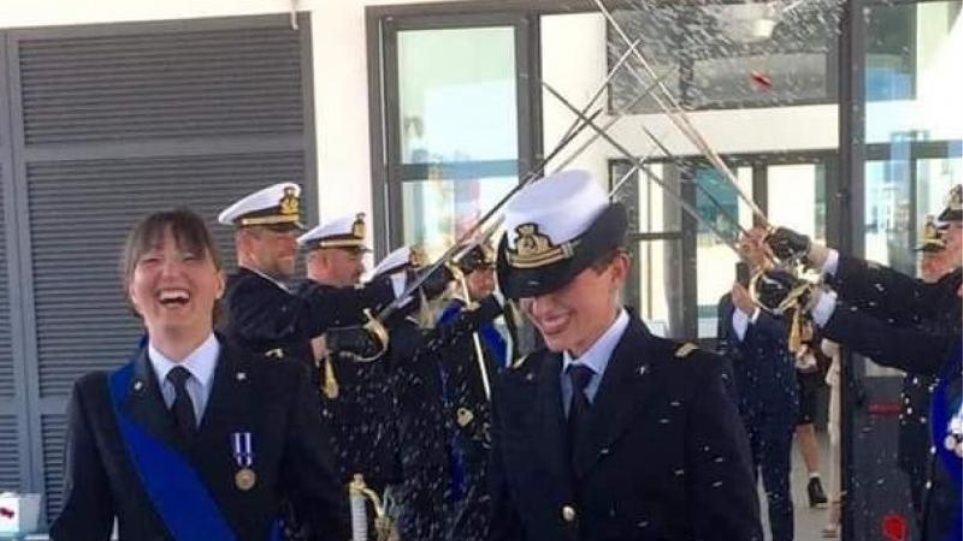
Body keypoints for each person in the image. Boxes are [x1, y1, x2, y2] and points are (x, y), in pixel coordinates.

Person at [488, 170, 762, 540]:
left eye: (559, 284)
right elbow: (503, 527)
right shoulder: (517, 389)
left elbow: (731, 531)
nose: (541, 307)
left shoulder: (691, 384)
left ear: (617, 271)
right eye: (528, 289)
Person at [50, 209, 349, 541]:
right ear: (132, 290)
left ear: (220, 283)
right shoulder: (99, 401)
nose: (171, 272)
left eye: (190, 258)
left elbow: (324, 520)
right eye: (152, 260)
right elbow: (79, 529)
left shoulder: (279, 385)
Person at [759, 183, 963, 541]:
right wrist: (815, 254)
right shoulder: (955, 286)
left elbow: (918, 349)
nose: (947, 234)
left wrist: (814, 302)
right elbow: (904, 296)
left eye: (959, 226)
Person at [717, 232, 798, 541]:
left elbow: (787, 336)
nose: (746, 248)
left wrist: (753, 312)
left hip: (776, 399)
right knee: (741, 482)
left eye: (753, 243)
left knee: (777, 483)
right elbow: (724, 347)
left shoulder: (784, 289)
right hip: (740, 402)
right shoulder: (727, 301)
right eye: (743, 244)